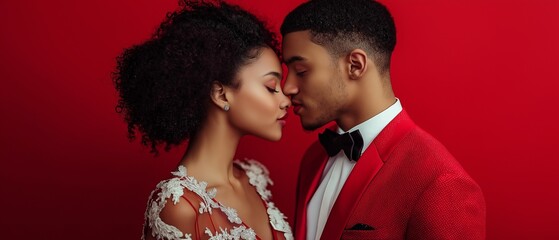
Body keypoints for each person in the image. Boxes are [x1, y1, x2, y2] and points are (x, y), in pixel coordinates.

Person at [280, 0, 486, 239]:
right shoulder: (314, 159)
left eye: (301, 71)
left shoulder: (440, 182)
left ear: (355, 65)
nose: (288, 87)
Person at [113, 1, 293, 239]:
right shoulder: (179, 205)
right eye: (271, 87)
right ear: (220, 94)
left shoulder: (255, 178)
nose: (286, 100)